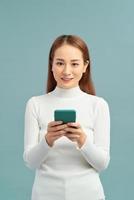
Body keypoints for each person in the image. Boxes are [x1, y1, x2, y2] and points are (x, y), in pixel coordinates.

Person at [23, 34, 110, 200]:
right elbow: (30, 162)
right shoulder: (35, 104)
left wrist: (82, 140)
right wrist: (47, 140)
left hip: (88, 195)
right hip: (45, 195)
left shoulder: (98, 105)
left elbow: (102, 163)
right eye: (60, 63)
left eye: (75, 64)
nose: (66, 71)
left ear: (85, 66)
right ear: (51, 65)